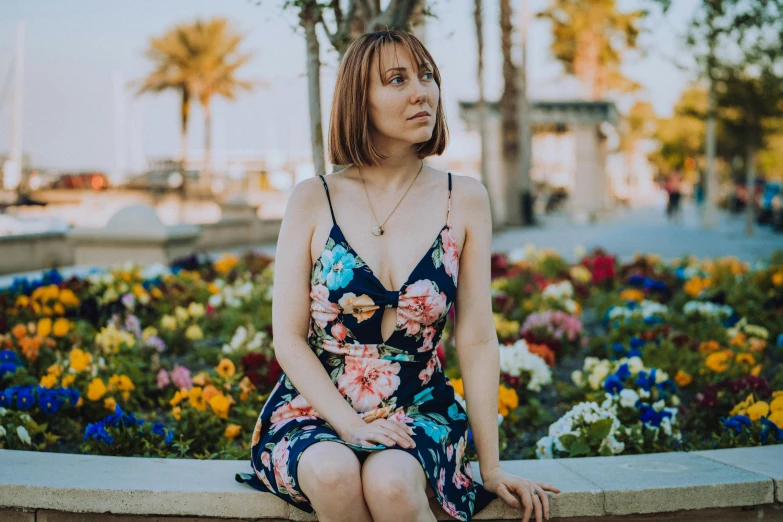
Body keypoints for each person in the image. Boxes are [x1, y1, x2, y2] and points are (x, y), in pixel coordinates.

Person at [236, 29, 559, 522]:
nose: (421, 92)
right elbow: (289, 338)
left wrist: (491, 469)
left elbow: (475, 338)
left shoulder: (464, 198)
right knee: (332, 473)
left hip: (419, 406)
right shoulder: (312, 198)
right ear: (358, 100)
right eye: (397, 79)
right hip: (318, 409)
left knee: (390, 483)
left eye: (426, 76)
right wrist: (350, 426)